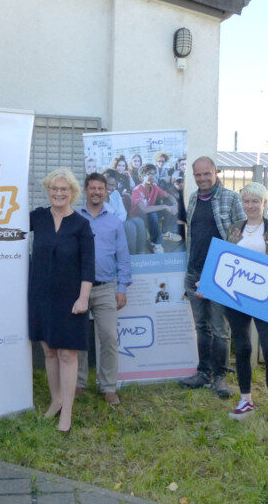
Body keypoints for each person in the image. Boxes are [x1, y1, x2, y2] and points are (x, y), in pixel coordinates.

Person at [29, 168, 94, 433]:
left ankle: (67, 410)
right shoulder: (37, 218)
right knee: (49, 350)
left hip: (70, 299)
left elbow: (88, 265)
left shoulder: (81, 224)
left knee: (67, 353)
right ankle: (55, 400)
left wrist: (83, 298)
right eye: (54, 189)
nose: (58, 193)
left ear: (73, 193)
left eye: (63, 189)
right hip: (41, 295)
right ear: (48, 191)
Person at [224, 183, 268, 425]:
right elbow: (225, 261)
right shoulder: (233, 229)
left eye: (255, 201)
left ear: (264, 203)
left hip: (265, 298)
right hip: (236, 298)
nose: (250, 206)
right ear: (242, 204)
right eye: (246, 201)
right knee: (242, 348)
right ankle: (246, 399)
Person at [179, 156, 245, 397]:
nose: (203, 178)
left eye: (207, 174)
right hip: (194, 270)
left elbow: (240, 237)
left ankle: (220, 377)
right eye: (198, 175)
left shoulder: (231, 198)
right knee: (201, 326)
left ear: (216, 172)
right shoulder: (194, 198)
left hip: (219, 273)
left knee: (220, 328)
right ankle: (203, 373)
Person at [76, 173, 130, 405]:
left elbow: (123, 258)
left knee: (108, 338)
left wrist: (122, 289)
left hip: (106, 288)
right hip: (77, 289)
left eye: (100, 188)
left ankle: (108, 386)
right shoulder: (75, 217)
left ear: (106, 191)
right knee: (77, 339)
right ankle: (78, 383)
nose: (96, 192)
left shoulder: (115, 222)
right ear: (85, 190)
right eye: (92, 188)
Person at [129, 164, 178, 254]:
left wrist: (175, 205)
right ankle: (156, 243)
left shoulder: (154, 186)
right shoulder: (137, 190)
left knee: (168, 204)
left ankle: (165, 232)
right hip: (138, 217)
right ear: (142, 177)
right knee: (153, 213)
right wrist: (165, 207)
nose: (153, 176)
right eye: (150, 174)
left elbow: (168, 196)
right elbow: (144, 209)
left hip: (149, 213)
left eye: (154, 174)